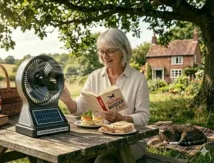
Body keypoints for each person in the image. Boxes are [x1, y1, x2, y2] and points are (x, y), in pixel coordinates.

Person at [60, 28, 150, 162]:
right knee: (74, 159)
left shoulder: (138, 79)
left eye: (110, 51)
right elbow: (80, 108)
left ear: (123, 50)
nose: (105, 56)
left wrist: (122, 118)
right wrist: (68, 101)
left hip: (130, 141)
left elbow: (144, 116)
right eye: (101, 51)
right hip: (99, 139)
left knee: (103, 161)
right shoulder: (94, 76)